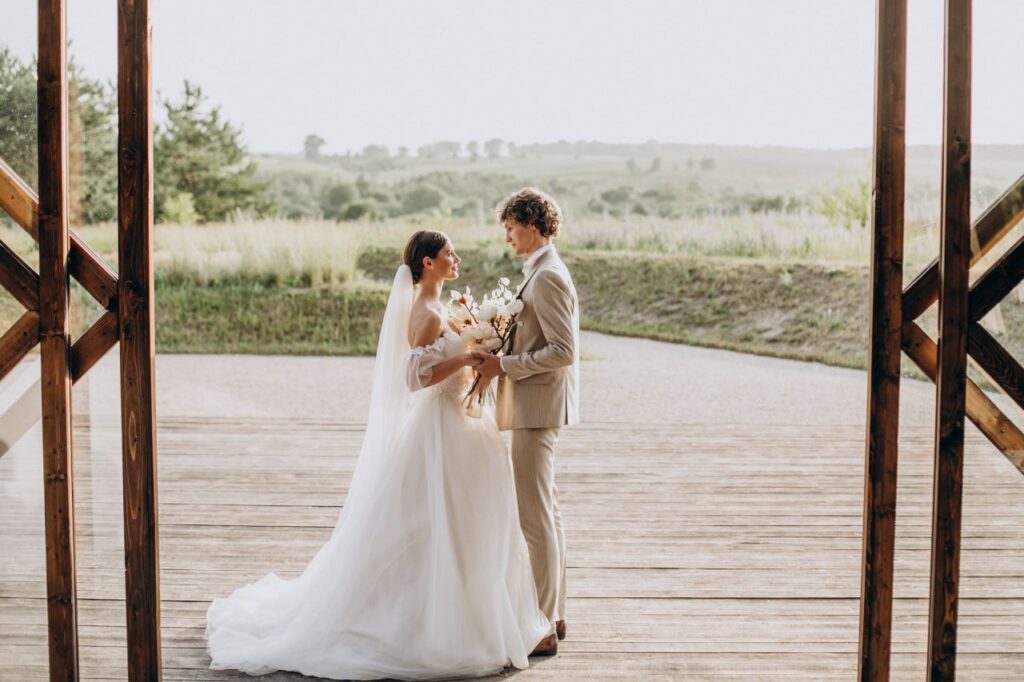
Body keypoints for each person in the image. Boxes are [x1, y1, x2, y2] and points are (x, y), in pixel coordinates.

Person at [205, 230, 550, 680]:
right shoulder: (425, 312)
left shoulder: (441, 308)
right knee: (436, 524)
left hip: (462, 423)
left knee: (468, 524)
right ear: (428, 263)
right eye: (449, 254)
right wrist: (467, 363)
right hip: (440, 429)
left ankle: (476, 615)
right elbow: (414, 376)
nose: (456, 258)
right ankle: (437, 625)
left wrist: (479, 361)